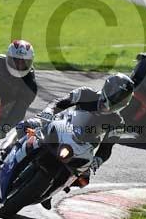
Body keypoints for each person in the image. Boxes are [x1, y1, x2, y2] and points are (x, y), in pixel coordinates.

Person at [20, 73, 133, 209]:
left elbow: (106, 148)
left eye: (122, 99)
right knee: (28, 125)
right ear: (108, 89)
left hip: (84, 146)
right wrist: (48, 112)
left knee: (84, 179)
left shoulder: (118, 122)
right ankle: (5, 151)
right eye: (117, 97)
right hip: (63, 126)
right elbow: (59, 102)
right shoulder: (85, 93)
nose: (118, 101)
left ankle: (51, 191)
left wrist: (98, 161)